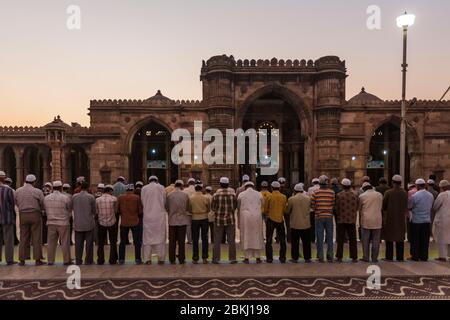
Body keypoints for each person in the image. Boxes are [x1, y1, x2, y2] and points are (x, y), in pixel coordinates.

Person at [15, 174, 45, 266]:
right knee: (36, 237)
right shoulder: (37, 191)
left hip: (23, 214)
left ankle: (22, 259)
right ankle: (37, 259)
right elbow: (42, 203)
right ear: (34, 182)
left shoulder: (18, 191)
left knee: (23, 237)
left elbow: (16, 202)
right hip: (35, 214)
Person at [44, 181, 73, 265]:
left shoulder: (47, 198)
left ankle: (50, 261)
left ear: (53, 188)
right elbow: (69, 209)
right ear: (61, 188)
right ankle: (66, 260)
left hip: (51, 223)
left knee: (51, 243)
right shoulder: (65, 198)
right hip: (63, 223)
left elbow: (45, 208)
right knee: (64, 242)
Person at [141, 176, 167, 264]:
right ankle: (161, 259)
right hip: (159, 216)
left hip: (148, 216)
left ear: (149, 181)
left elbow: (142, 201)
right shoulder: (161, 187)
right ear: (157, 181)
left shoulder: (144, 188)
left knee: (147, 239)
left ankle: (147, 259)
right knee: (160, 238)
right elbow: (164, 201)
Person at [211, 177, 237, 264]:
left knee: (217, 240)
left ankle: (216, 258)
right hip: (230, 220)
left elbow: (213, 208)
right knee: (231, 240)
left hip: (218, 220)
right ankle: (232, 258)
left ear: (220, 184)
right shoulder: (233, 195)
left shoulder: (215, 195)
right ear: (228, 184)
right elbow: (234, 207)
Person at [382, 175, 408, 262]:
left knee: (389, 238)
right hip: (400, 219)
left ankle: (389, 257)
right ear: (400, 183)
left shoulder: (388, 192)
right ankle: (400, 257)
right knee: (400, 238)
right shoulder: (404, 193)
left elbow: (384, 206)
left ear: (393, 182)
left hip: (390, 218)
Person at [237, 181, 264, 264]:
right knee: (257, 236)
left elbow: (238, 206)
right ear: (253, 186)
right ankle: (258, 258)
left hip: (245, 217)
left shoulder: (241, 194)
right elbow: (263, 204)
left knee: (246, 236)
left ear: (245, 187)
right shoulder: (259, 194)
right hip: (256, 217)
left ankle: (246, 258)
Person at [310, 175, 335, 263]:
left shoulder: (315, 192)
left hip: (319, 216)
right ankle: (330, 255)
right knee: (330, 236)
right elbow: (333, 204)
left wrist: (317, 210)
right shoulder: (331, 192)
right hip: (329, 216)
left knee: (319, 237)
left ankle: (320, 256)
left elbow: (312, 204)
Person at [408, 179, 434, 261]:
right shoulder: (430, 195)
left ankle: (415, 256)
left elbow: (409, 206)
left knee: (415, 240)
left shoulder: (415, 196)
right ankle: (424, 256)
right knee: (425, 240)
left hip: (416, 220)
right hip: (426, 220)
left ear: (417, 186)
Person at [286, 183, 311, 263]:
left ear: (295, 191)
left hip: (295, 223)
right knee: (306, 242)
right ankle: (307, 258)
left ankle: (295, 258)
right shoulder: (308, 198)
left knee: (295, 243)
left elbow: (287, 211)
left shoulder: (291, 199)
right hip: (306, 224)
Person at [118, 184, 143, 265]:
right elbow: (140, 211)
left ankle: (121, 259)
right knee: (137, 241)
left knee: (122, 241)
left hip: (124, 222)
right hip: (135, 221)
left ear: (126, 190)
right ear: (132, 189)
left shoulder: (120, 197)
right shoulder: (136, 197)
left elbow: (117, 210)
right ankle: (138, 259)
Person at [72, 181, 96, 265]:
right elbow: (94, 211)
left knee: (78, 244)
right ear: (88, 188)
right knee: (89, 244)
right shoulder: (91, 197)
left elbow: (71, 207)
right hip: (88, 223)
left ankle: (78, 260)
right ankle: (88, 260)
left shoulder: (74, 197)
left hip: (78, 223)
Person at [335, 178, 358, 263]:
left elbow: (336, 208)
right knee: (353, 239)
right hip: (352, 219)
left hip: (341, 219)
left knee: (340, 239)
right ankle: (354, 257)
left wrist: (339, 214)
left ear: (342, 186)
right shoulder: (355, 194)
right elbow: (357, 206)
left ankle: (339, 256)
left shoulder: (339, 195)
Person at [359, 182, 383, 263]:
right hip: (377, 220)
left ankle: (366, 257)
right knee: (376, 241)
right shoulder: (379, 195)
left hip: (366, 220)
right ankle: (374, 258)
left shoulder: (362, 196)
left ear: (364, 189)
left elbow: (359, 208)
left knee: (365, 240)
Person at [167, 180, 189, 264]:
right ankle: (181, 259)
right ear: (181, 186)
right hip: (182, 220)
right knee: (181, 241)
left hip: (172, 221)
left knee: (172, 241)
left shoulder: (169, 195)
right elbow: (187, 208)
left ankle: (172, 259)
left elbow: (167, 207)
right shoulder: (185, 195)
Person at [264, 181, 287, 263]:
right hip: (280, 219)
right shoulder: (283, 197)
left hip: (270, 219)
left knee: (269, 240)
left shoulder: (269, 196)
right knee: (282, 240)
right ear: (279, 188)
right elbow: (285, 209)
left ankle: (269, 258)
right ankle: (283, 257)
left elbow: (265, 209)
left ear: (271, 188)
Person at [95, 184, 118, 265]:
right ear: (110, 191)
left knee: (101, 242)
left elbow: (96, 212)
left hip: (101, 223)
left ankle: (100, 260)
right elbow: (115, 211)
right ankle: (113, 260)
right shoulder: (114, 199)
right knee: (113, 242)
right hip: (112, 222)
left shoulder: (97, 200)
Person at [188, 182, 211, 264]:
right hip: (204, 218)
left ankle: (195, 258)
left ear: (195, 189)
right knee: (205, 238)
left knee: (195, 239)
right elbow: (209, 209)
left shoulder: (191, 198)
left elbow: (189, 209)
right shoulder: (206, 198)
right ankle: (204, 258)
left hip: (194, 218)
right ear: (201, 188)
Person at [0, 171, 16, 265]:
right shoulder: (8, 190)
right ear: (3, 178)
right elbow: (12, 204)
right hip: (7, 218)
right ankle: (9, 260)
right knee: (8, 240)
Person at [432, 180, 450, 261]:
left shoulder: (442, 195)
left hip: (443, 220)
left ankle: (442, 257)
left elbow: (435, 206)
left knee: (442, 238)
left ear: (442, 187)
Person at [278, 177, 292, 243]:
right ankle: (289, 239)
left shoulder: (277, 191)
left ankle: (278, 238)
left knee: (278, 224)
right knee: (288, 224)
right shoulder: (288, 191)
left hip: (279, 209)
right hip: (286, 209)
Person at [183, 178, 196, 244]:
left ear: (188, 183)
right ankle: (195, 239)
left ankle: (189, 240)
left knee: (188, 226)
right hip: (195, 211)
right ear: (194, 183)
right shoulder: (196, 189)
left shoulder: (185, 190)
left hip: (187, 210)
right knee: (195, 226)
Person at [307, 178, 320, 243]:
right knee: (319, 225)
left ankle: (312, 239)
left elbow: (309, 199)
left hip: (312, 209)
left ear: (313, 183)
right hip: (320, 209)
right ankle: (319, 239)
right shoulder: (321, 188)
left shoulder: (310, 189)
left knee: (312, 225)